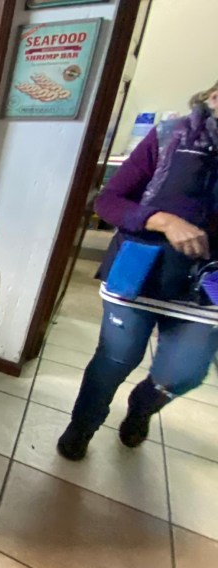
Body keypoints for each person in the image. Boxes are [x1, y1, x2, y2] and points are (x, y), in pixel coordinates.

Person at [57, 81, 218, 460]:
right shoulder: (170, 137)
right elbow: (108, 201)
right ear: (214, 97)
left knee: (184, 372)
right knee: (115, 360)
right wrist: (163, 221)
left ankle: (142, 406)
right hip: (142, 272)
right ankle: (82, 426)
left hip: (207, 285)